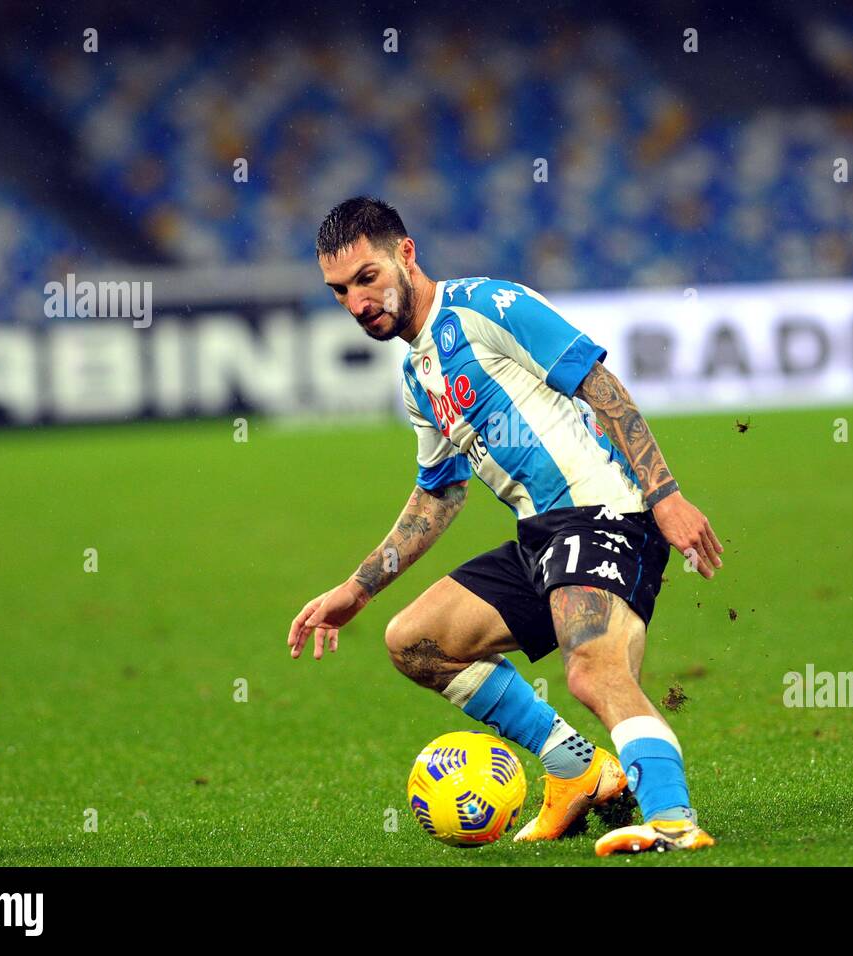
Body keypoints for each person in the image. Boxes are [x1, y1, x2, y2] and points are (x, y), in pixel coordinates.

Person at [287, 196, 723, 854]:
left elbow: (600, 386)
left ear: (406, 254)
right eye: (340, 291)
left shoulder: (487, 306)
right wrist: (356, 589)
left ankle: (671, 819)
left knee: (592, 670)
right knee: (415, 641)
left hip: (606, 514)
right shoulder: (417, 373)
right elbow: (439, 495)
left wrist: (664, 493)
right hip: (540, 536)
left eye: (366, 278)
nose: (356, 304)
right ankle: (577, 770)